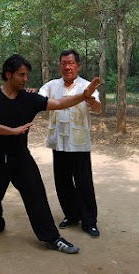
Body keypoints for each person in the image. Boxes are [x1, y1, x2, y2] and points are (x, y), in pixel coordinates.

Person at [0, 54, 100, 254]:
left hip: (20, 157)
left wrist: (83, 96)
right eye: (21, 75)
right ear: (8, 75)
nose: (26, 79)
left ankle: (52, 238)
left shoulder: (29, 99)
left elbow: (60, 103)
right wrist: (12, 131)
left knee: (36, 195)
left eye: (26, 75)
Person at [38, 49, 101, 238]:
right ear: (60, 65)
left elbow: (98, 108)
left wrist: (91, 101)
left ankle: (89, 221)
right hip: (59, 142)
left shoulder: (87, 86)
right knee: (62, 182)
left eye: (71, 63)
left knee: (84, 183)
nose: (67, 67)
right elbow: (39, 99)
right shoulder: (51, 86)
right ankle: (72, 215)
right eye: (64, 63)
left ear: (78, 65)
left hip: (79, 143)